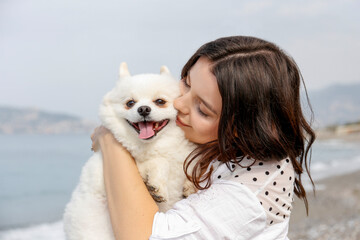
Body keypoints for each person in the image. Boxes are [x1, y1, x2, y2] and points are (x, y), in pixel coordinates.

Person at [91, 36, 315, 240]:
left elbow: (146, 236)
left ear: (240, 128)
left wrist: (111, 140)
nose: (178, 103)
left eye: (202, 110)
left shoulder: (249, 192)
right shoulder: (215, 145)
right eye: (186, 83)